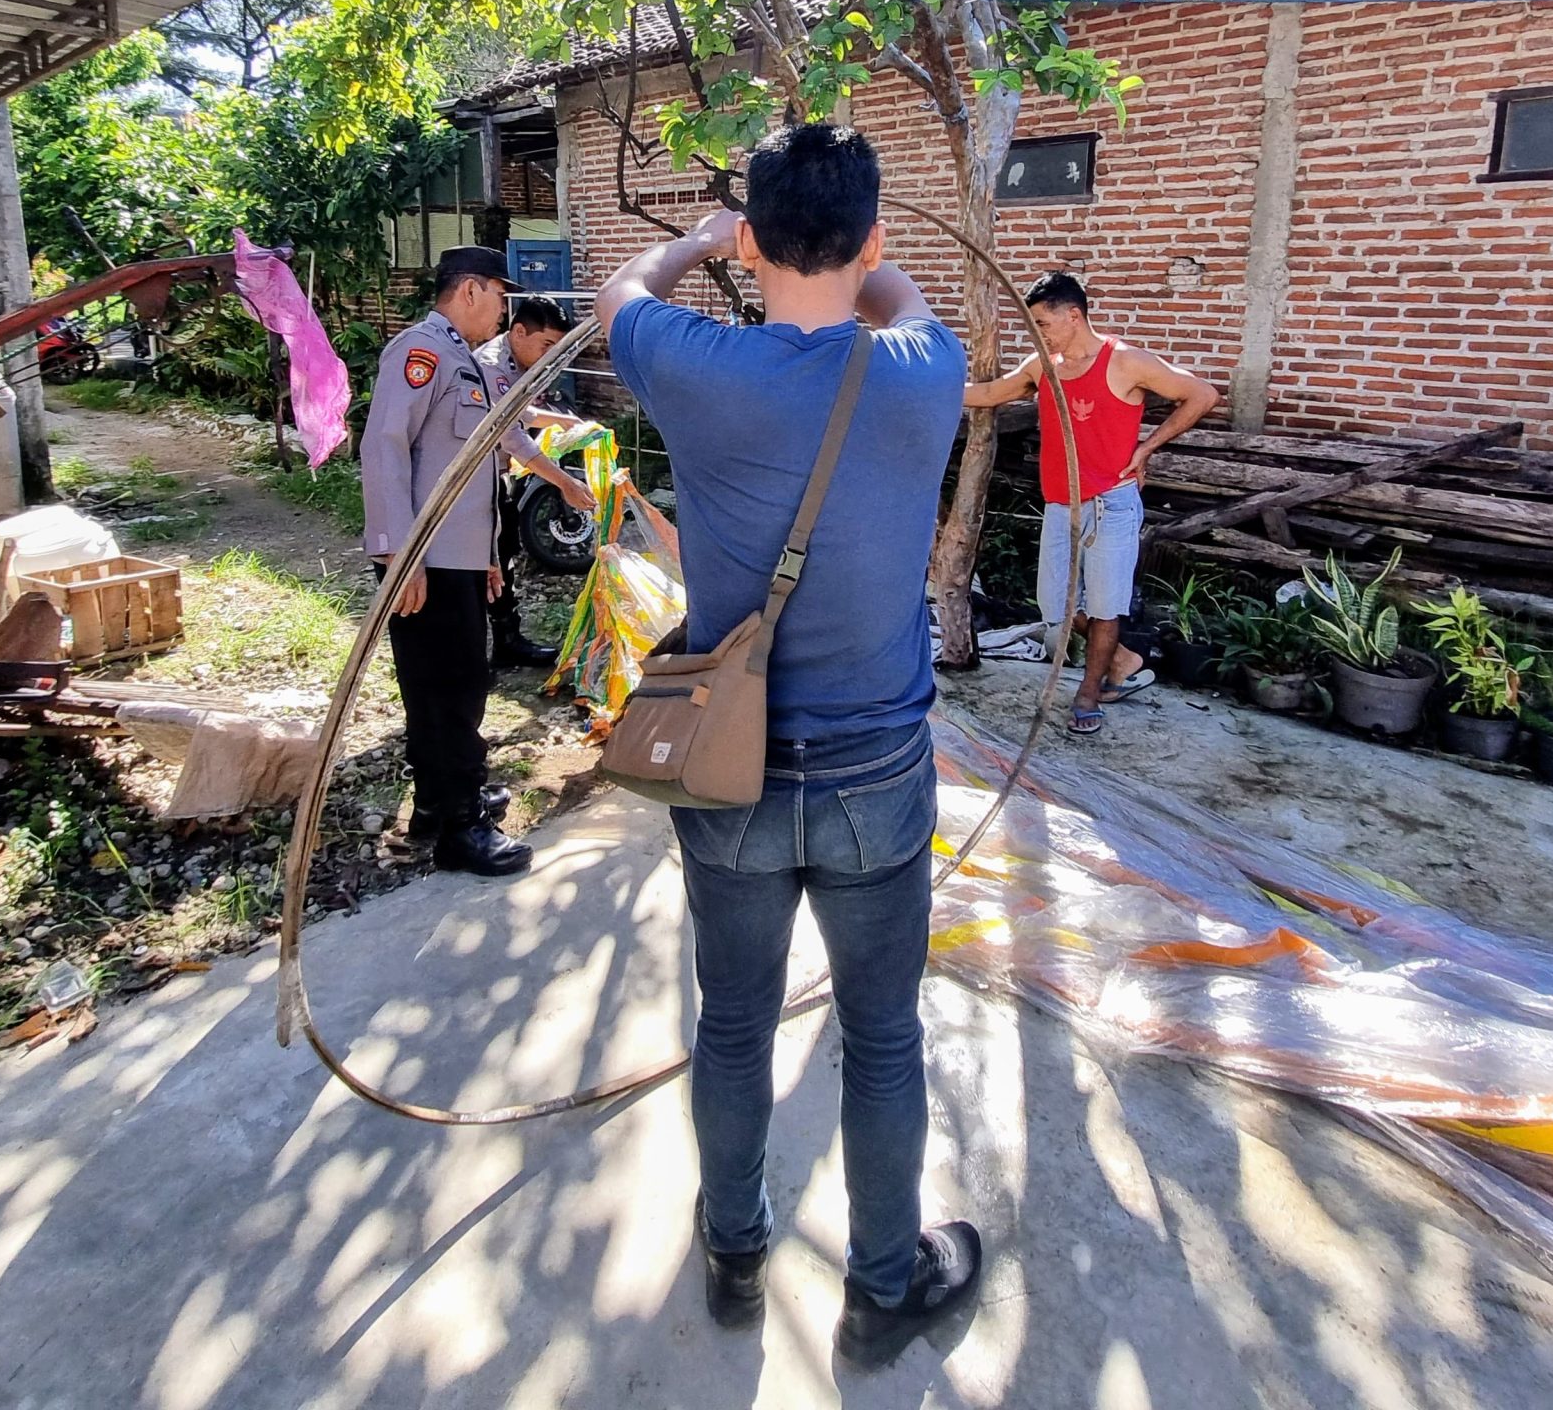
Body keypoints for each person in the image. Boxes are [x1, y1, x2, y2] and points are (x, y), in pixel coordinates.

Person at [598, 123, 982, 1371]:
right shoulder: (925, 367)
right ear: (869, 237)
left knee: (731, 1026)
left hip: (730, 773)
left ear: (753, 241)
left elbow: (618, 294)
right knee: (881, 1038)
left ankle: (735, 1251)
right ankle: (881, 1287)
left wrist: (699, 240)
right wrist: (844, 255)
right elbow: (902, 295)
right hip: (877, 778)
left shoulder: (695, 362)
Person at [963, 271, 1220, 736]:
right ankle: (1122, 660)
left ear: (1074, 314)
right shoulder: (1044, 365)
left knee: (1105, 606)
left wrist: (1147, 447)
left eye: (1042, 323)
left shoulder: (1125, 362)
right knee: (1053, 607)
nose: (1036, 333)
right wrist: (923, 390)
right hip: (1061, 506)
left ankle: (1089, 692)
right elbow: (989, 393)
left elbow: (1202, 394)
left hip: (1111, 506)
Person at [361, 245, 532, 875]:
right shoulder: (420, 353)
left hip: (455, 559)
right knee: (452, 690)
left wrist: (488, 555)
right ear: (468, 292)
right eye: (498, 293)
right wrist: (398, 554)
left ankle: (439, 802)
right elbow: (385, 450)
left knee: (443, 688)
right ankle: (463, 829)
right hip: (423, 562)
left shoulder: (467, 363)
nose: (502, 308)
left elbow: (474, 471)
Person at [473, 296, 596, 670]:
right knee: (479, 565)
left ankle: (507, 641)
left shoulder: (516, 363)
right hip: (473, 483)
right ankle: (475, 658)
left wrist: (563, 422)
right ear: (519, 331)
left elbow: (519, 412)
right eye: (546, 346)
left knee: (503, 552)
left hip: (496, 477)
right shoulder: (492, 366)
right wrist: (565, 483)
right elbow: (510, 434)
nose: (551, 358)